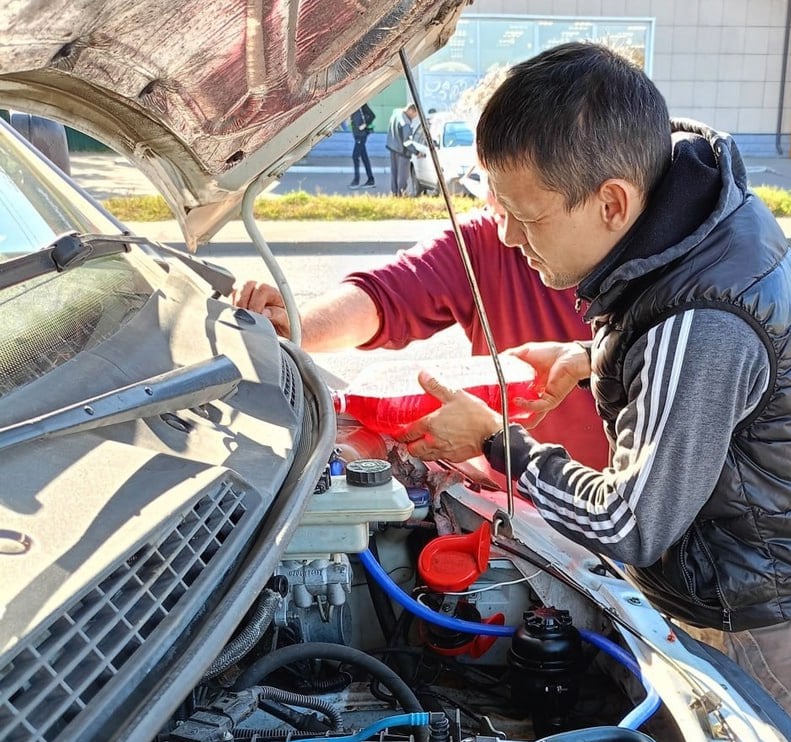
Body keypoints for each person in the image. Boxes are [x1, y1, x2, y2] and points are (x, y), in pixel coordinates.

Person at [397, 42, 791, 742]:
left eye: (526, 218)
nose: (505, 236)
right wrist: (590, 358)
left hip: (763, 617)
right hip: (748, 579)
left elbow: (629, 521)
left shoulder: (700, 321)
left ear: (612, 202)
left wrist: (499, 443)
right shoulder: (694, 217)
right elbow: (719, 369)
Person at [230, 177, 609, 470]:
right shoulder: (486, 240)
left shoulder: (657, 282)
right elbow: (385, 297)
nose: (503, 222)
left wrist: (496, 440)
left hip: (610, 527)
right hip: (522, 510)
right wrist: (295, 324)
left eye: (520, 202)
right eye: (490, 182)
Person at [385, 103, 418, 196]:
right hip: (403, 152)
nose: (415, 117)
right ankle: (401, 194)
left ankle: (394, 193)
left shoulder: (396, 113)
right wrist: (417, 152)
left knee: (394, 173)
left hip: (393, 148)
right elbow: (407, 142)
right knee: (403, 176)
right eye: (415, 114)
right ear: (410, 110)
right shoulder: (406, 123)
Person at [348, 103, 376, 189]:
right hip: (357, 135)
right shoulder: (352, 106)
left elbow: (372, 115)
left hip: (361, 135)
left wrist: (364, 125)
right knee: (364, 158)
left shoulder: (361, 104)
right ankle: (370, 180)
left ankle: (356, 181)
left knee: (355, 156)